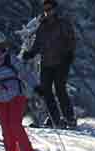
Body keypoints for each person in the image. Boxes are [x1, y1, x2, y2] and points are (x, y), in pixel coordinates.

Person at [21, 0, 76, 129]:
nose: (47, 12)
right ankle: (55, 119)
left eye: (49, 9)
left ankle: (69, 118)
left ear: (55, 9)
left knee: (60, 89)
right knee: (46, 91)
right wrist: (30, 53)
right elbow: (38, 44)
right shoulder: (43, 26)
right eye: (45, 9)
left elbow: (71, 40)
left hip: (61, 62)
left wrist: (69, 54)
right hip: (46, 63)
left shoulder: (63, 24)